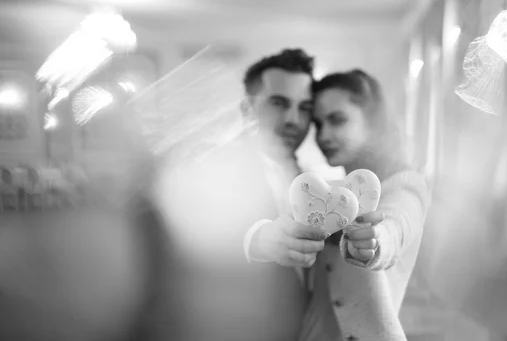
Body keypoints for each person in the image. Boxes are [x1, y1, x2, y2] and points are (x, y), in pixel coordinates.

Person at [157, 48, 328, 341]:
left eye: (304, 107)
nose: (293, 119)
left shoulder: (307, 178)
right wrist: (257, 240)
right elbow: (191, 244)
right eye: (278, 103)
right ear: (248, 108)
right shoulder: (211, 163)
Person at [299, 69, 430, 341]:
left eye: (337, 120)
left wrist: (372, 242)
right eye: (318, 124)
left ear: (372, 122)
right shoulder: (337, 191)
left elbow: (393, 229)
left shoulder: (404, 184)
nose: (323, 136)